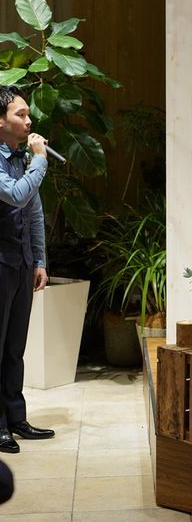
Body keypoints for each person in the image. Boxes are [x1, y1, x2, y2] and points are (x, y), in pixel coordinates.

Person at [0, 85, 55, 453]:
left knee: (15, 347)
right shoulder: (22, 160)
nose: (29, 120)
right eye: (20, 114)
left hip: (20, 262)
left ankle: (16, 418)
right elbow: (16, 195)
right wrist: (40, 161)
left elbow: (34, 212)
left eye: (28, 114)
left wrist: (39, 260)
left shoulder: (22, 158)